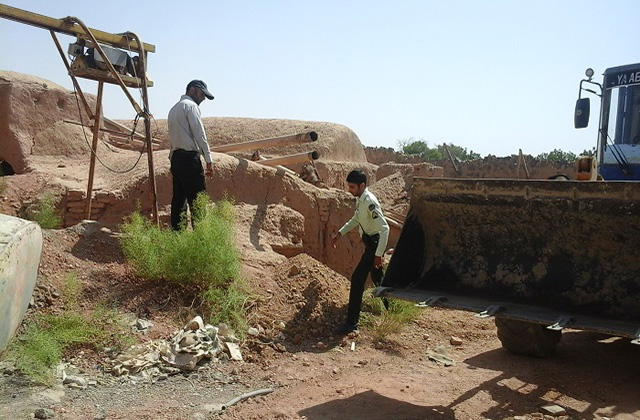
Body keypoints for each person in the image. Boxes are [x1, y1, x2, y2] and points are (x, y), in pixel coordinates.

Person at [331, 170, 389, 334]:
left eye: (352, 187)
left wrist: (377, 255)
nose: (350, 190)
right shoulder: (361, 199)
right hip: (371, 243)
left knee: (357, 279)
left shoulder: (369, 201)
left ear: (362, 186)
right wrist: (340, 233)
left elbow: (385, 229)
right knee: (378, 278)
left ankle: (351, 323)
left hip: (374, 244)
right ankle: (389, 309)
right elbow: (356, 219)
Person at [167, 80, 215, 230]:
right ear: (192, 90)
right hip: (189, 159)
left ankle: (177, 238)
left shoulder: (173, 109)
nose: (204, 98)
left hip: (176, 158)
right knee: (197, 201)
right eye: (202, 94)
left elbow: (173, 137)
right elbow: (200, 135)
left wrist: (172, 159)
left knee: (179, 201)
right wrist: (209, 160)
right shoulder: (191, 107)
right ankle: (200, 240)